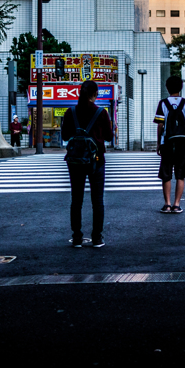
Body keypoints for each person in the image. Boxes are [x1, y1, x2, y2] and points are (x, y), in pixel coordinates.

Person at [60, 80, 112, 248]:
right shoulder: (101, 113)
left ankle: (77, 238)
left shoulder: (70, 112)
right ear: (95, 94)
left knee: (76, 199)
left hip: (75, 161)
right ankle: (97, 237)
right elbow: (110, 137)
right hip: (96, 160)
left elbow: (66, 136)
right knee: (97, 200)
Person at [155, 76, 185, 213]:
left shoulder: (163, 103)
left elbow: (160, 125)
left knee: (166, 174)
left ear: (167, 88)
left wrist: (158, 144)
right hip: (182, 143)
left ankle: (167, 204)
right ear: (181, 88)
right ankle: (177, 204)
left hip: (167, 142)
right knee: (180, 174)